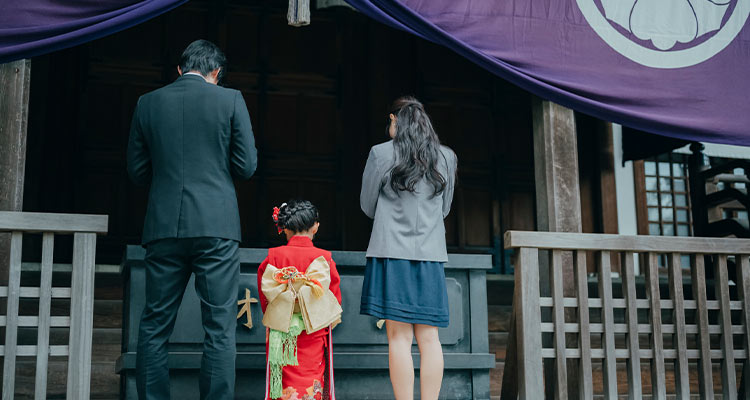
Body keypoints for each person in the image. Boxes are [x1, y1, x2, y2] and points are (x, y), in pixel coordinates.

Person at [127, 39, 257, 400]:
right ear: (216, 73)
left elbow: (137, 172)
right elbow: (246, 167)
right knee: (218, 327)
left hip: (164, 225)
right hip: (216, 225)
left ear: (180, 70)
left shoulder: (148, 103)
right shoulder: (230, 100)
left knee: (154, 324)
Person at [359, 96, 457, 400]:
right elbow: (445, 208)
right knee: (430, 339)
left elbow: (367, 206)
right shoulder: (446, 157)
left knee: (398, 338)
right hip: (430, 255)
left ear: (394, 120)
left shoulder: (380, 153)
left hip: (391, 254)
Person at [258, 200, 343, 400]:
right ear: (315, 226)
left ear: (284, 227)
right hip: (314, 331)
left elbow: (266, 296)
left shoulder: (273, 257)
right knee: (311, 379)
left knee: (282, 381)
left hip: (282, 329)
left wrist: (282, 314)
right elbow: (334, 299)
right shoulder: (324, 258)